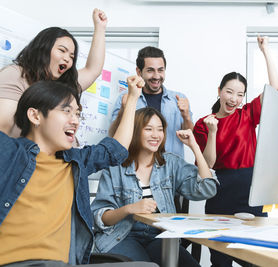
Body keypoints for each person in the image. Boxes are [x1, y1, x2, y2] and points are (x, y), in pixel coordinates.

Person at [0, 76, 158, 267]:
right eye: (66, 111)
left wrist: (133, 98)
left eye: (77, 113)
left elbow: (116, 150)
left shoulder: (75, 161)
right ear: (35, 116)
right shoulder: (9, 152)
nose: (75, 120)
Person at [193, 36, 278, 267]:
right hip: (219, 193)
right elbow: (208, 165)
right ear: (219, 91)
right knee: (220, 261)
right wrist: (212, 133)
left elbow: (276, 88)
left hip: (250, 191)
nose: (234, 99)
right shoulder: (203, 124)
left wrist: (265, 51)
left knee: (256, 258)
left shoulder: (248, 114)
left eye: (240, 94)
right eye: (229, 92)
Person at [91, 107, 218, 267]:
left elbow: (207, 189)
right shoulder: (116, 168)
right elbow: (100, 217)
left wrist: (194, 146)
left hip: (159, 235)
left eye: (160, 129)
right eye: (149, 129)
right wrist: (129, 209)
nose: (156, 135)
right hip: (122, 235)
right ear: (136, 131)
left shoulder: (170, 163)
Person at [0, 8, 107, 138]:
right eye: (62, 50)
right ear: (43, 49)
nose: (67, 59)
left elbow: (93, 70)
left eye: (72, 56)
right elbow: (2, 129)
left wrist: (100, 28)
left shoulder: (62, 86)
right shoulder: (16, 75)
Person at [109, 46, 193, 158]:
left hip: (172, 170)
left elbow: (191, 137)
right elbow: (113, 135)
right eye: (150, 70)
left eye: (160, 70)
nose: (156, 76)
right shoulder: (126, 98)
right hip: (136, 168)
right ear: (139, 72)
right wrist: (123, 110)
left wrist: (186, 116)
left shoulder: (178, 99)